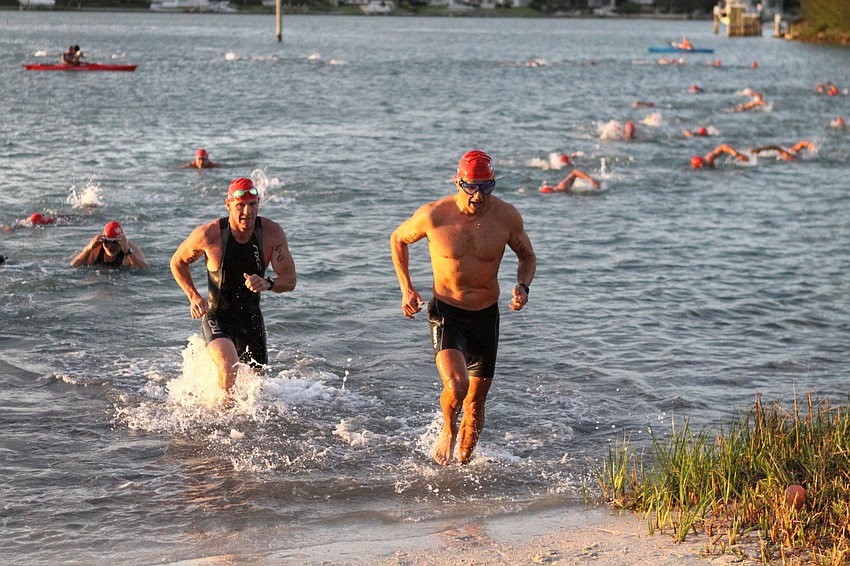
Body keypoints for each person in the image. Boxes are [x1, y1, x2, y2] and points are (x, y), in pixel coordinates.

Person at [390, 150, 536, 466]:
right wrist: (407, 288)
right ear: (458, 182)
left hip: (486, 316)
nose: (479, 195)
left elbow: (527, 257)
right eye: (472, 187)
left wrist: (522, 286)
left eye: (487, 186)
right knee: (457, 386)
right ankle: (447, 429)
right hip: (448, 312)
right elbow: (398, 239)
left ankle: (463, 470)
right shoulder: (434, 215)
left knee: (475, 403)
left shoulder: (506, 217)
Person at [170, 177, 296, 392]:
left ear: (258, 203)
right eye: (240, 206)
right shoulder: (209, 235)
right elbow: (177, 262)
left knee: (256, 388)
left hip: (251, 318)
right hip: (218, 316)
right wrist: (193, 296)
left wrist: (268, 282)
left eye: (252, 204)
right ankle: (219, 422)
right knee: (228, 368)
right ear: (228, 205)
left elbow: (290, 279)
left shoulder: (271, 232)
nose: (247, 211)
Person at [71, 221, 149, 268]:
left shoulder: (129, 251)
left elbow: (145, 269)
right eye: (107, 241)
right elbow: (74, 265)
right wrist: (88, 249)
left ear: (121, 241)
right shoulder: (95, 249)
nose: (110, 246)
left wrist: (128, 252)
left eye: (115, 242)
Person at [749, 140, 814, 161]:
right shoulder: (785, 153)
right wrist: (760, 150)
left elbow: (802, 143)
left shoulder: (792, 152)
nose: (790, 158)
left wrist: (810, 146)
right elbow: (774, 147)